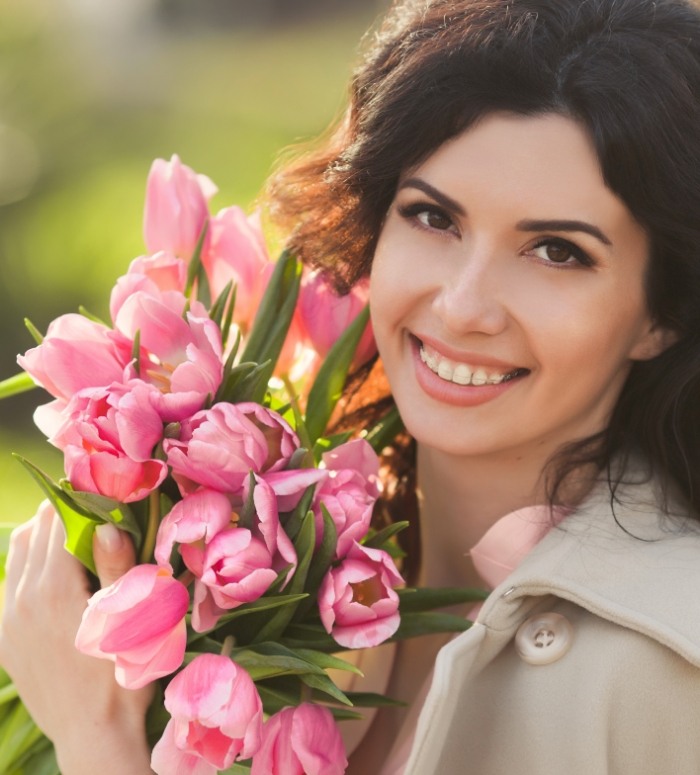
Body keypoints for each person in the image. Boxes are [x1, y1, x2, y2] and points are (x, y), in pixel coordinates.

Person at [3, 0, 700, 772]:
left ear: (661, 314)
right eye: (434, 216)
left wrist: (96, 738)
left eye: (558, 252)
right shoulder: (284, 570)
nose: (463, 306)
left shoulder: (671, 670)